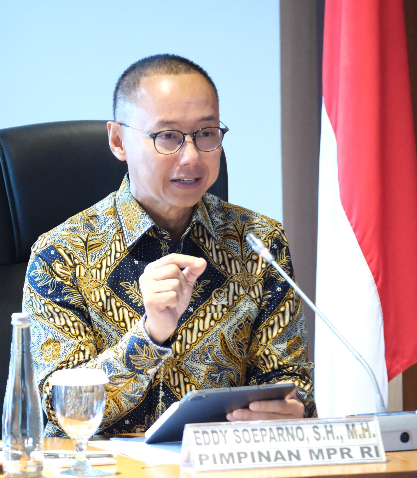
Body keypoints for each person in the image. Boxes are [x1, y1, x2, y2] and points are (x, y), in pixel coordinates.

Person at [24, 54, 315, 437]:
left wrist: (292, 408)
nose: (192, 157)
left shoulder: (259, 242)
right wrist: (149, 335)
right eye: (168, 136)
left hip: (220, 461)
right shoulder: (60, 254)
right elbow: (61, 409)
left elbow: (291, 381)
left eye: (206, 133)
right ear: (118, 141)